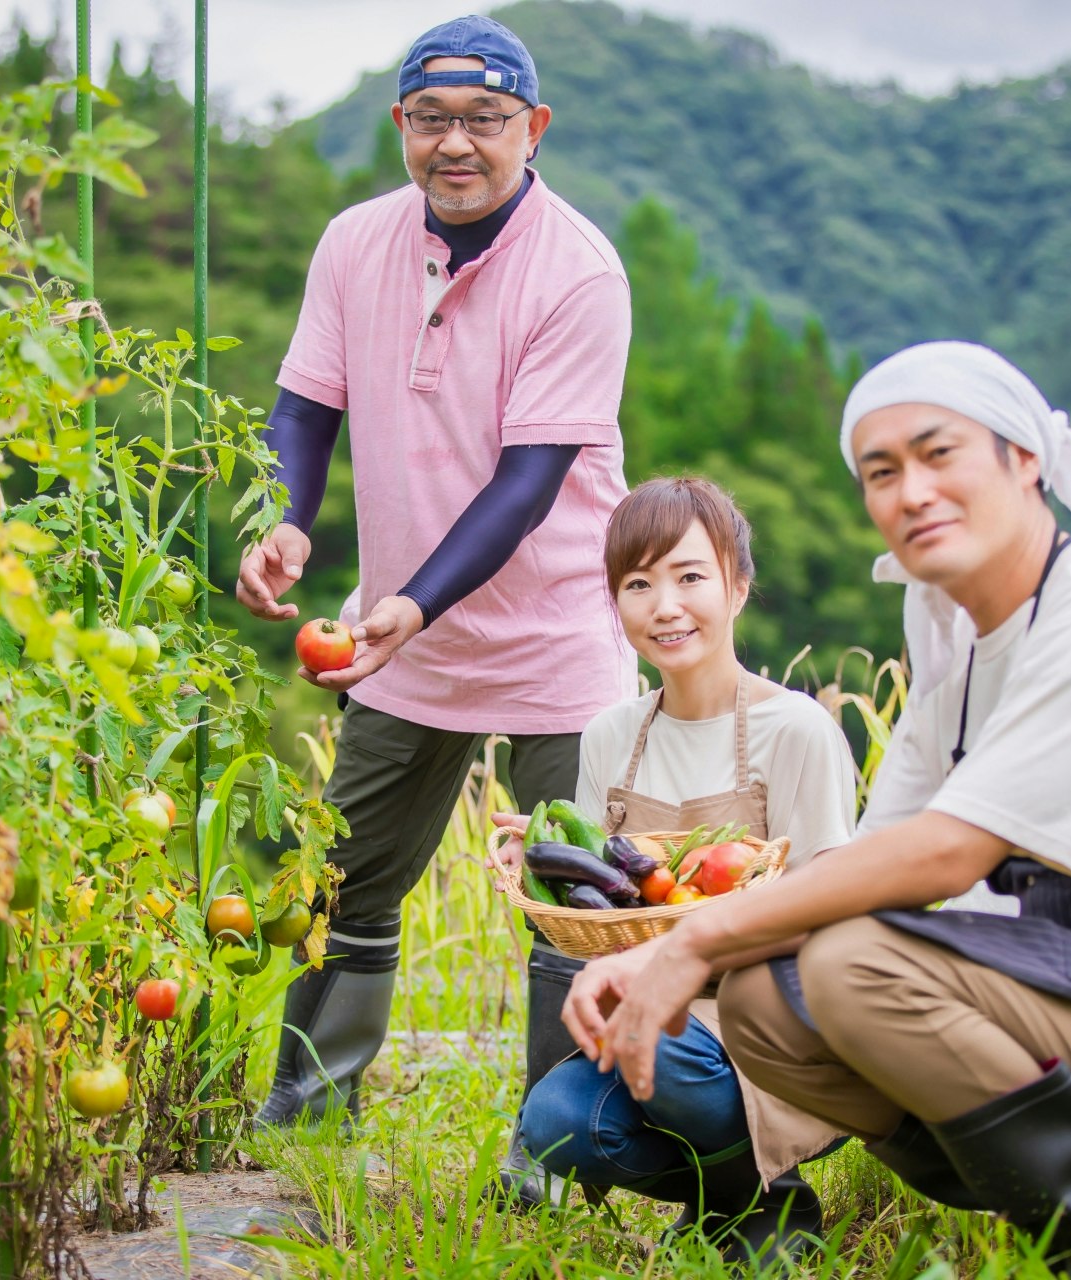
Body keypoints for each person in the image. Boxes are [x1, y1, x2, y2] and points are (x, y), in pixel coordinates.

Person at [556, 343, 1071, 1278]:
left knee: (848, 965)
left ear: (1026, 460)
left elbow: (947, 854)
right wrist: (658, 952)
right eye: (883, 472)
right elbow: (875, 853)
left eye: (939, 454)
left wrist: (691, 941)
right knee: (764, 1001)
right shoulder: (953, 630)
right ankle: (1021, 1196)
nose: (910, 490)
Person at [233, 15, 633, 1207]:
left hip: (558, 638)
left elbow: (529, 481)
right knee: (346, 880)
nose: (456, 144)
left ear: (533, 128)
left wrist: (408, 599)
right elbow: (305, 405)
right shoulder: (357, 240)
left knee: (574, 911)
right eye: (431, 119)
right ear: (402, 124)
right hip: (402, 639)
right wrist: (290, 518)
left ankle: (552, 1163)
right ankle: (307, 1115)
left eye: (484, 120)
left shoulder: (579, 270)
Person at [493, 477, 855, 1262]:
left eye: (690, 576)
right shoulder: (610, 736)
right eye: (637, 583)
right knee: (555, 1124)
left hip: (773, 1026)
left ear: (738, 584)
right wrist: (548, 854)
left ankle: (762, 1200)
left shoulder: (796, 731)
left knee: (673, 1042)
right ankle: (736, 1198)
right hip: (647, 1011)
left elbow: (830, 911)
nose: (665, 605)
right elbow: (599, 908)